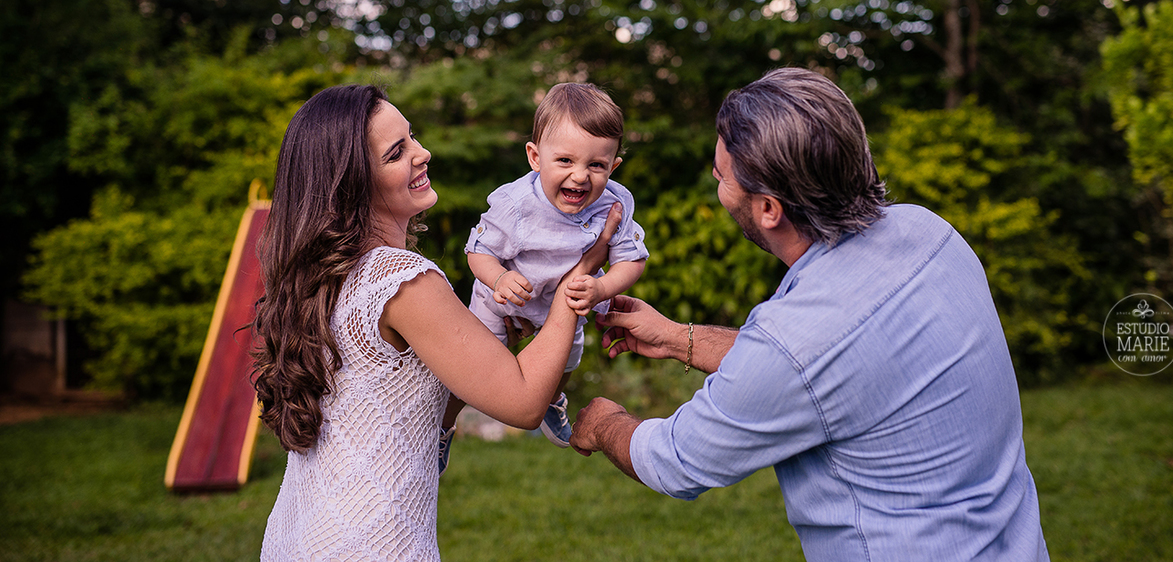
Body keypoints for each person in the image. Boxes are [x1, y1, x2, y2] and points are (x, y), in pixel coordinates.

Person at [570, 68, 1051, 561]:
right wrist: (678, 338)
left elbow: (677, 460)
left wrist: (606, 424)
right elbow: (845, 362)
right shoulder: (932, 234)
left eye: (722, 178)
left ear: (769, 209)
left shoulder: (796, 341)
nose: (718, 187)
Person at [251, 84, 620, 561]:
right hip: (373, 545)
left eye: (413, 136)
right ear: (354, 182)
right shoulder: (401, 280)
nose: (423, 153)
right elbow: (527, 402)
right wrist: (580, 275)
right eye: (396, 152)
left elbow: (402, 409)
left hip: (299, 537)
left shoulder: (325, 274)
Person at [439, 82, 648, 460]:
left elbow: (632, 259)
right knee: (467, 372)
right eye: (565, 161)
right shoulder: (515, 204)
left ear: (614, 165)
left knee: (568, 357)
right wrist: (499, 278)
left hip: (565, 301)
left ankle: (551, 400)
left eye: (596, 165)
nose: (581, 176)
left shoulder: (616, 203)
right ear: (535, 157)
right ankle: (443, 426)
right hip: (503, 299)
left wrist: (602, 290)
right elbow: (478, 252)